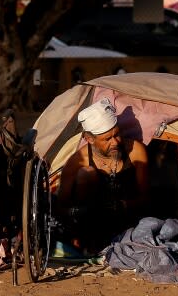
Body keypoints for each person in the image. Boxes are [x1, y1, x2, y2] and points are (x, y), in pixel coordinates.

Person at [56, 98, 149, 254]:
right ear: (89, 139)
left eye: (117, 134)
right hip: (92, 225)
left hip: (128, 222)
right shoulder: (78, 161)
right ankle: (88, 244)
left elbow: (146, 197)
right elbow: (60, 206)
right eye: (107, 139)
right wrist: (81, 211)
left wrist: (123, 205)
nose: (115, 142)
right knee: (86, 174)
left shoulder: (135, 151)